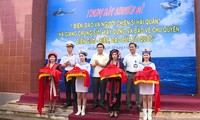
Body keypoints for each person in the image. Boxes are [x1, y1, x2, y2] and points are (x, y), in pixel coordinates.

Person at [134, 48, 160, 120]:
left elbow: (154, 73)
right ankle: (145, 114)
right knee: (144, 98)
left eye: (147, 55)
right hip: (143, 83)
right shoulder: (140, 64)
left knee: (150, 98)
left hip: (150, 83)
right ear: (142, 56)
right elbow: (138, 73)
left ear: (149, 56)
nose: (146, 56)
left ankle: (149, 114)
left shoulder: (152, 64)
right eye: (144, 55)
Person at [105, 49, 125, 118]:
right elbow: (105, 71)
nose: (114, 56)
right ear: (111, 55)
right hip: (110, 82)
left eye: (115, 54)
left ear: (117, 55)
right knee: (109, 96)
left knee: (117, 96)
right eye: (113, 54)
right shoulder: (109, 62)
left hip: (117, 82)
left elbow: (123, 71)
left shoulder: (120, 63)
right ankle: (111, 111)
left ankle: (116, 110)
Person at [123, 42, 142, 111]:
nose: (131, 48)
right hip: (129, 75)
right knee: (128, 90)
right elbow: (123, 66)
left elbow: (142, 66)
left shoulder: (140, 57)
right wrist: (125, 73)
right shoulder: (126, 57)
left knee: (138, 90)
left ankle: (138, 104)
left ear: (135, 48)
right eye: (130, 47)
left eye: (132, 47)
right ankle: (128, 104)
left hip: (137, 75)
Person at [90, 43, 109, 109]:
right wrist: (95, 64)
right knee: (95, 90)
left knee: (102, 90)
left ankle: (102, 102)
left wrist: (99, 64)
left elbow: (106, 65)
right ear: (97, 48)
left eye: (101, 47)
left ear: (103, 48)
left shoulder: (106, 55)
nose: (99, 48)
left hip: (103, 76)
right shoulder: (94, 55)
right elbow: (92, 65)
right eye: (98, 47)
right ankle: (95, 102)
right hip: (95, 75)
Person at [60, 41, 78, 108]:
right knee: (67, 88)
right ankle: (68, 101)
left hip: (73, 73)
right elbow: (61, 65)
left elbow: (78, 65)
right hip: (67, 73)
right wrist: (65, 64)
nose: (69, 49)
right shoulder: (64, 56)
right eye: (68, 47)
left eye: (70, 47)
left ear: (72, 48)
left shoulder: (76, 56)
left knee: (74, 87)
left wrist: (71, 64)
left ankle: (75, 101)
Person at [75, 50, 91, 116]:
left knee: (84, 95)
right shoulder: (77, 64)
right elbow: (75, 72)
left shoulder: (88, 64)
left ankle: (83, 110)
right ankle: (79, 110)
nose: (81, 57)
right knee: (78, 95)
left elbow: (88, 73)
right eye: (80, 56)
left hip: (84, 81)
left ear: (85, 57)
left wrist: (82, 73)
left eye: (82, 56)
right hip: (78, 81)